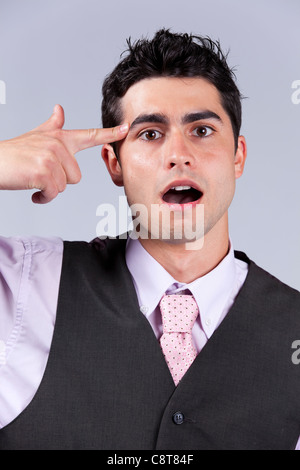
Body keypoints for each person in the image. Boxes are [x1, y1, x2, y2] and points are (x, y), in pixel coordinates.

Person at [0, 29, 299, 450]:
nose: (178, 153)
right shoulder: (22, 286)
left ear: (239, 156)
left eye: (202, 130)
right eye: (151, 134)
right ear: (113, 163)